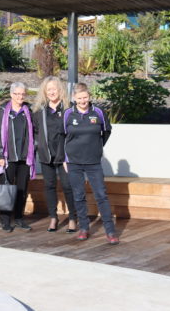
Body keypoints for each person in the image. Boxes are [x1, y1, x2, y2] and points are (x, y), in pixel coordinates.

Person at [63, 83, 119, 245]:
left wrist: (97, 147)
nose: (83, 101)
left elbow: (106, 131)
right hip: (74, 162)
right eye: (79, 98)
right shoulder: (68, 114)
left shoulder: (98, 112)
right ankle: (84, 228)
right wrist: (65, 159)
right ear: (74, 98)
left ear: (89, 96)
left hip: (93, 162)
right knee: (79, 196)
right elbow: (62, 137)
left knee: (101, 195)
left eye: (85, 97)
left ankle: (110, 231)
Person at [32, 77, 77, 233]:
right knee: (49, 186)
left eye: (54, 89)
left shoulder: (69, 109)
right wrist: (39, 147)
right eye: (48, 89)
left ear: (60, 90)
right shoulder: (40, 111)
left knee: (67, 186)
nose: (52, 92)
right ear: (45, 92)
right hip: (47, 156)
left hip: (64, 156)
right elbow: (35, 132)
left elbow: (74, 133)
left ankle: (72, 218)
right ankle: (53, 217)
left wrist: (69, 154)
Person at [0, 82, 36, 232]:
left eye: (22, 94)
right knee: (6, 190)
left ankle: (19, 217)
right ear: (11, 95)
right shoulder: (2, 112)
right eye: (17, 94)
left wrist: (33, 148)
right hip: (7, 158)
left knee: (21, 190)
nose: (20, 97)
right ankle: (5, 220)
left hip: (24, 157)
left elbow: (35, 132)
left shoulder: (28, 111)